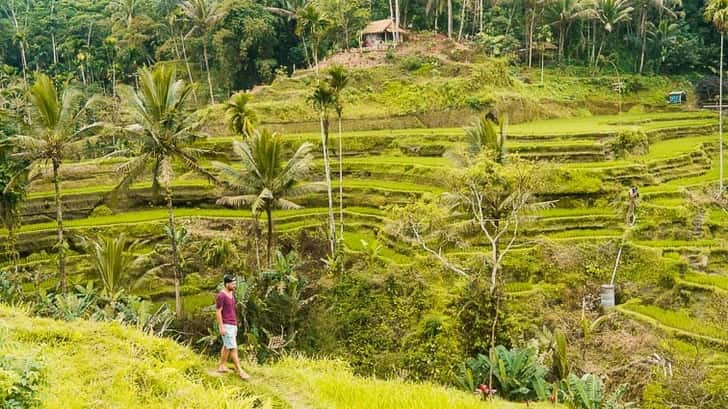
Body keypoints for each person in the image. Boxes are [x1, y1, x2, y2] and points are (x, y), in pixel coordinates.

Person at [215, 274, 250, 380]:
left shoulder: (231, 293)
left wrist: (236, 322)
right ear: (226, 284)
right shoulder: (221, 295)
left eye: (235, 283)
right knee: (233, 348)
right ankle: (240, 371)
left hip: (232, 324)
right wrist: (221, 327)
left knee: (226, 346)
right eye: (233, 284)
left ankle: (222, 366)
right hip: (226, 325)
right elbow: (218, 311)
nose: (234, 285)